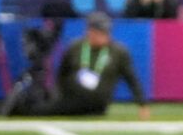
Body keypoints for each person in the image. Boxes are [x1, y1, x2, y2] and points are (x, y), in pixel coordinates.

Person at [21, 13, 149, 118]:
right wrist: (57, 94)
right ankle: (12, 108)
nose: (105, 36)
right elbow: (62, 74)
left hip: (98, 103)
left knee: (41, 110)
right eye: (100, 32)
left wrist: (142, 105)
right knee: (39, 109)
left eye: (106, 32)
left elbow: (131, 79)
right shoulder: (75, 47)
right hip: (71, 99)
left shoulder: (118, 52)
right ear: (90, 32)